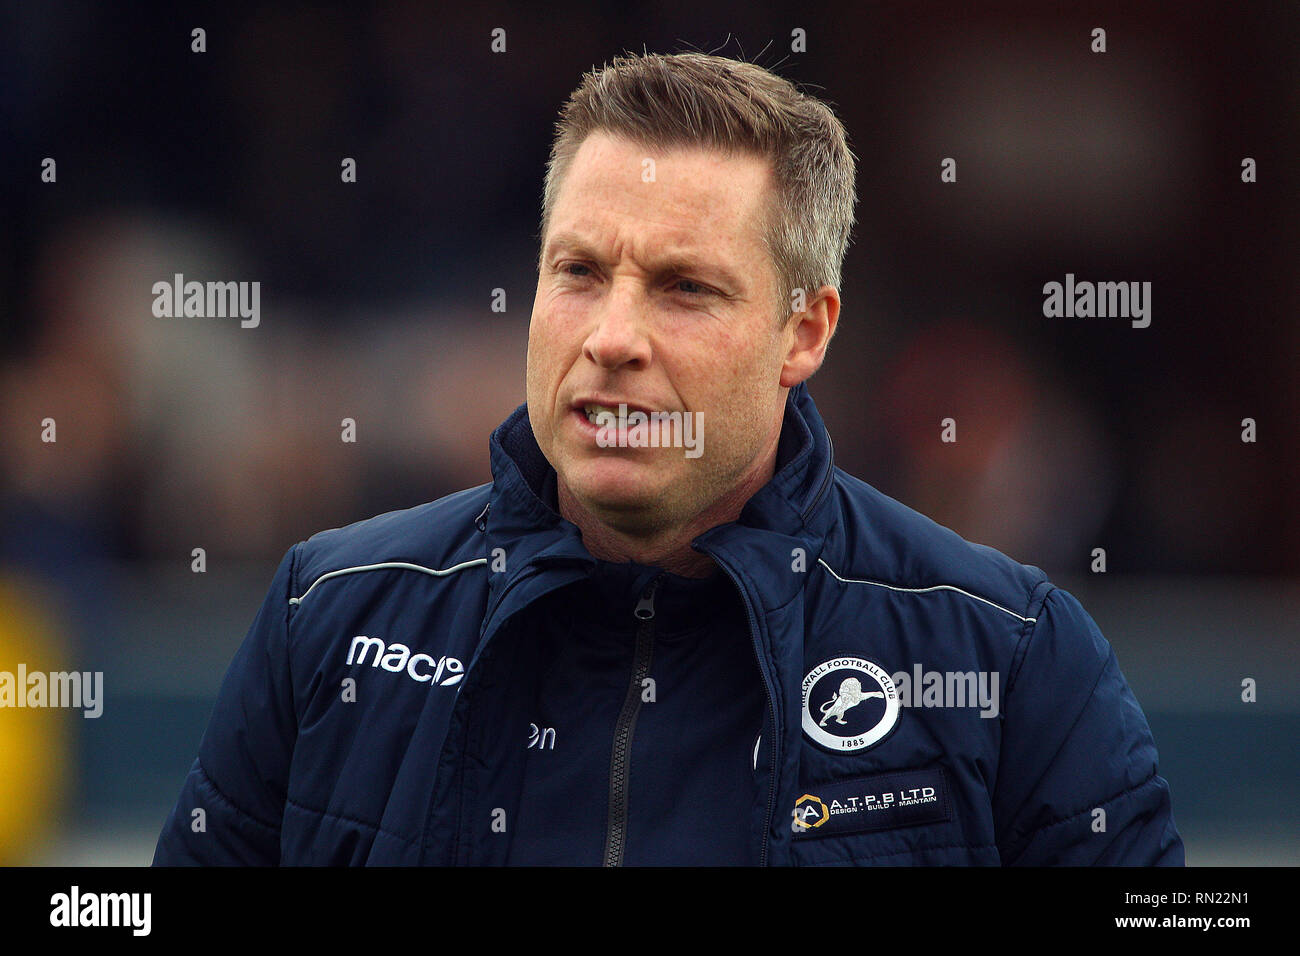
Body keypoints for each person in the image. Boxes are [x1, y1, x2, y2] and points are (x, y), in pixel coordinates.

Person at [153, 52, 1183, 866]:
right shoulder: (327, 617)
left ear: (804, 331)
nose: (611, 335)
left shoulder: (1007, 655)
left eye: (684, 287)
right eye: (580, 271)